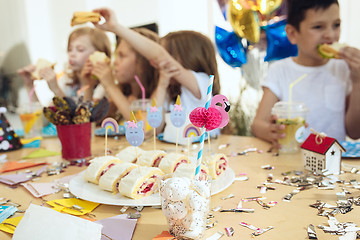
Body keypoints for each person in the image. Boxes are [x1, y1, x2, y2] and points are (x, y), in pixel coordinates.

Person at [251, 0, 360, 149]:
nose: (330, 35)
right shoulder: (280, 71)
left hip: (334, 163)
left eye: (336, 25)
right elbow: (258, 124)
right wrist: (271, 132)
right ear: (292, 34)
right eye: (318, 27)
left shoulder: (344, 69)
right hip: (292, 162)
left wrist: (358, 80)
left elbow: (354, 132)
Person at [92, 8, 220, 113]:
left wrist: (116, 27)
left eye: (168, 55)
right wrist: (162, 85)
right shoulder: (170, 92)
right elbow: (151, 127)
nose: (153, 62)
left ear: (187, 59)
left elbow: (161, 58)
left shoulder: (203, 83)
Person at [17, 27, 112, 102]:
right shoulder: (68, 83)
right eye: (70, 49)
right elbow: (44, 121)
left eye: (80, 49)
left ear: (100, 54)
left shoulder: (103, 87)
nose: (72, 54)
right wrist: (29, 85)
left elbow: (79, 121)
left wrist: (56, 90)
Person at [85, 27, 159, 120]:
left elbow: (139, 125)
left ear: (142, 63)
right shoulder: (124, 94)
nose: (115, 61)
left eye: (121, 56)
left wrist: (111, 86)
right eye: (116, 55)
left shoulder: (157, 97)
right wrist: (89, 86)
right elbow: (91, 118)